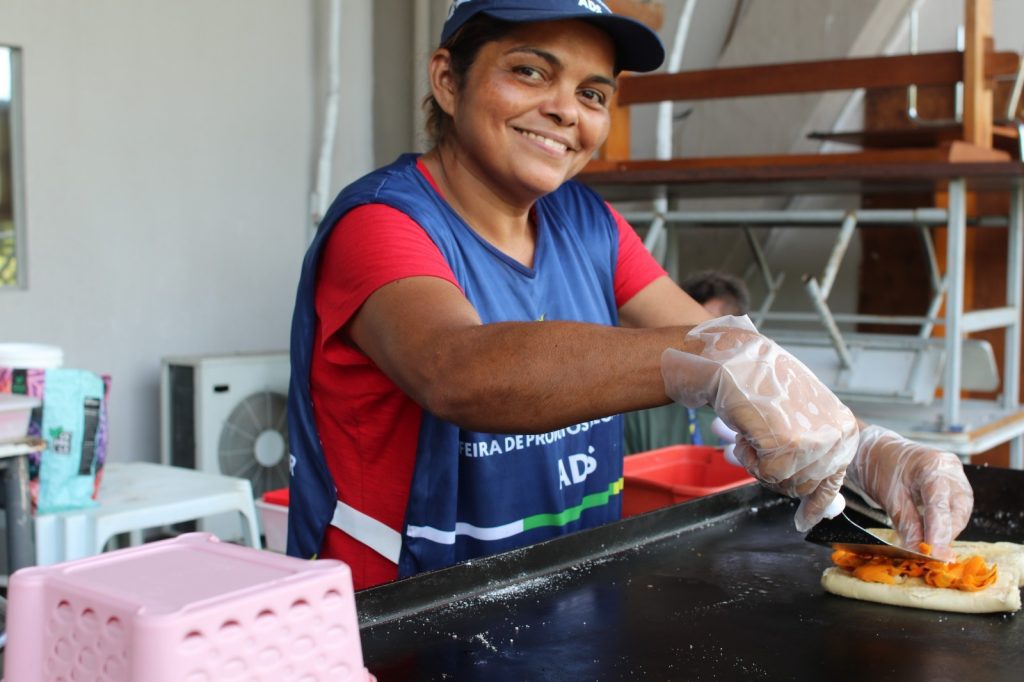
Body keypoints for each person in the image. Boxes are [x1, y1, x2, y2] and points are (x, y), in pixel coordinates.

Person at [287, 0, 973, 590]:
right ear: (447, 79)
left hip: (567, 595)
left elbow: (732, 351)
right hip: (402, 621)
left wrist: (867, 449)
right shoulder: (379, 224)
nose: (564, 110)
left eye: (593, 93)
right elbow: (457, 369)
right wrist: (711, 366)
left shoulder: (588, 223)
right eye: (530, 71)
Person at [626, 270, 751, 452]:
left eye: (712, 324)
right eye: (689, 327)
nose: (701, 340)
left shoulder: (758, 407)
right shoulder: (641, 411)